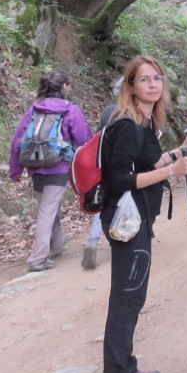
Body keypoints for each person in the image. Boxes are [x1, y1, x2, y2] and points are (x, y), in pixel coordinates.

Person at [98, 54, 187, 373]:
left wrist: (177, 153)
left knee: (132, 297)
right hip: (126, 223)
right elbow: (120, 179)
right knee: (126, 301)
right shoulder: (126, 123)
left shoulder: (143, 121)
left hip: (138, 220)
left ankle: (126, 371)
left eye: (157, 78)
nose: (153, 84)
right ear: (131, 86)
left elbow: (150, 162)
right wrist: (173, 173)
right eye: (144, 79)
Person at [9, 71, 93, 272]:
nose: (70, 88)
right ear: (64, 86)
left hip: (35, 165)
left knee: (47, 208)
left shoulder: (34, 109)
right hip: (59, 165)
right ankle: (38, 259)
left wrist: (16, 169)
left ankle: (56, 244)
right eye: (69, 85)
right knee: (48, 210)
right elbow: (84, 139)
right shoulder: (70, 110)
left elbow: (17, 140)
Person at [82, 76, 123, 270]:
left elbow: (96, 138)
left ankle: (93, 240)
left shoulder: (108, 111)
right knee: (126, 204)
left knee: (104, 204)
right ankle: (122, 242)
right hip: (124, 166)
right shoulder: (134, 114)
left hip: (103, 166)